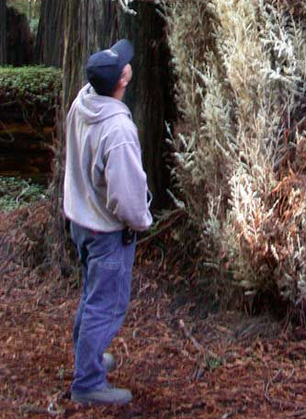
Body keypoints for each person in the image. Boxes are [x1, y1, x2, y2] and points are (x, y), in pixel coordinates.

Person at [64, 39, 152, 407]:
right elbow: (127, 197)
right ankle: (88, 382)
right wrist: (141, 220)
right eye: (125, 65)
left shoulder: (83, 102)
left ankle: (88, 357)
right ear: (122, 80)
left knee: (91, 296)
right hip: (105, 231)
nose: (129, 64)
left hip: (81, 221)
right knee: (106, 305)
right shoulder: (117, 130)